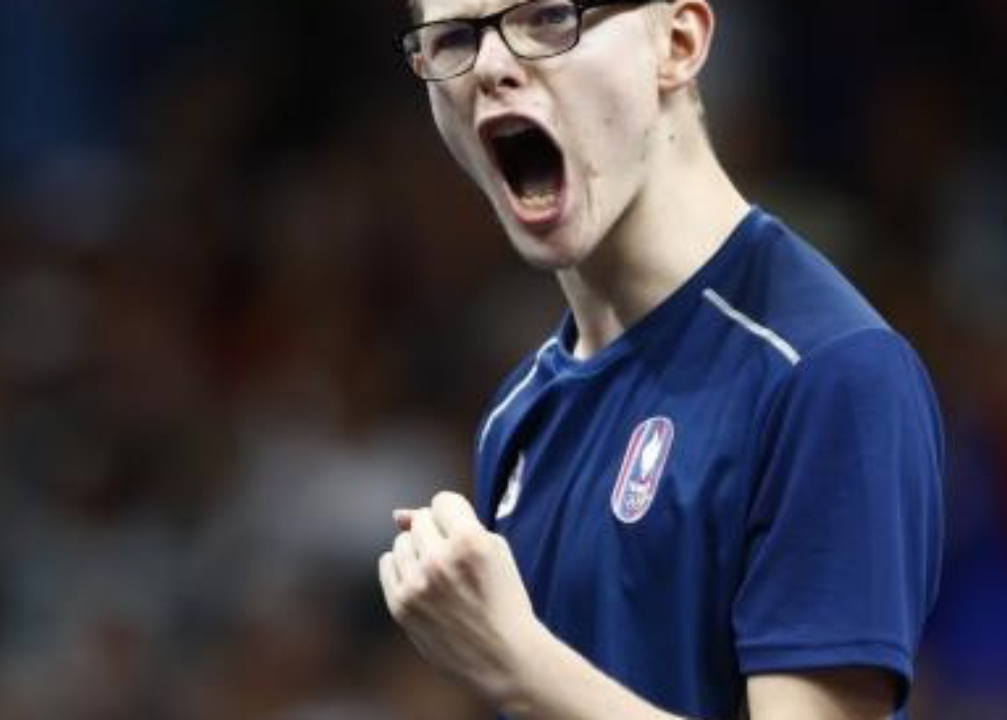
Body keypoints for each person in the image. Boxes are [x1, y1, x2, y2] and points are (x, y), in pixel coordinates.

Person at [376, 1, 945, 719]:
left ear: (677, 43)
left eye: (548, 17)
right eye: (455, 37)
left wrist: (516, 665)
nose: (490, 67)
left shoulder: (830, 372)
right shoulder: (516, 413)